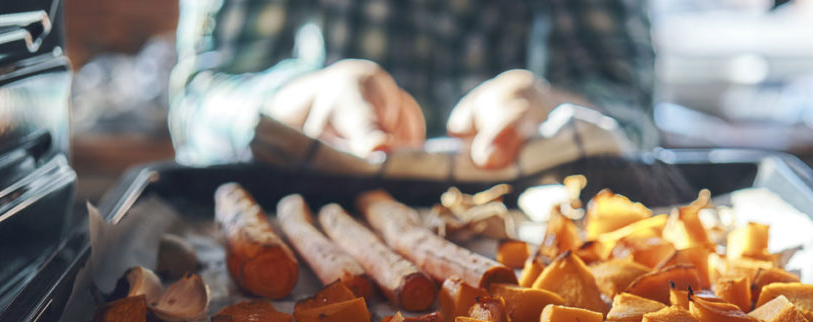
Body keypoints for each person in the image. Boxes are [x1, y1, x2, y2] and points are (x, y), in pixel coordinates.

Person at [169, 0, 656, 169]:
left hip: (520, 220)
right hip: (312, 198)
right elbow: (201, 100)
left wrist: (550, 104)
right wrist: (298, 103)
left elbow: (630, 106)